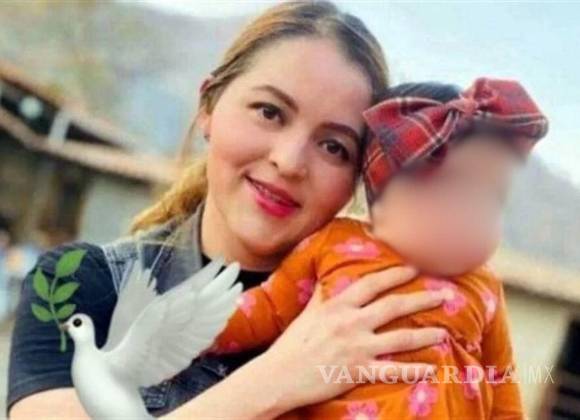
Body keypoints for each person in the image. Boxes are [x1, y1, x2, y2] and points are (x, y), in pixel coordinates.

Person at [6, 2, 448, 419]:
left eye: (334, 147)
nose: (289, 161)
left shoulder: (382, 317)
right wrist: (276, 380)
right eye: (270, 112)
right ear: (208, 107)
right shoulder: (75, 284)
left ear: (359, 179)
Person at [207, 78, 549, 419]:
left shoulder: (485, 288)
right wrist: (196, 330)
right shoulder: (337, 244)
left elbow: (502, 385)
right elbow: (267, 307)